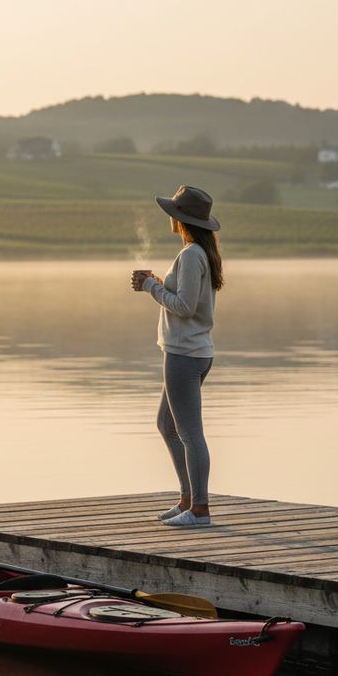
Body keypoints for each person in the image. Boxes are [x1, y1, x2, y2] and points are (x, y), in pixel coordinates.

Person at [131, 185, 224, 527]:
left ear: (180, 218)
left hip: (184, 355)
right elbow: (188, 299)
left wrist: (150, 287)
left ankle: (200, 509)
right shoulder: (200, 253)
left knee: (189, 433)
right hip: (191, 352)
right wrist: (156, 281)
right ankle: (187, 499)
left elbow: (184, 307)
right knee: (167, 425)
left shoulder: (190, 256)